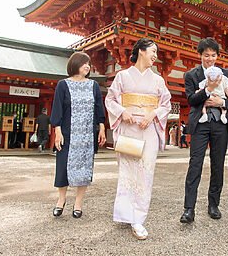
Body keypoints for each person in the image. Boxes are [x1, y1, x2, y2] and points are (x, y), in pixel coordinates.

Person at [105, 38, 171, 240]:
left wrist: (153, 115)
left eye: (157, 53)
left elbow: (166, 104)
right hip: (128, 129)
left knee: (145, 173)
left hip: (149, 130)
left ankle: (138, 219)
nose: (155, 56)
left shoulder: (158, 80)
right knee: (127, 172)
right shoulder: (123, 76)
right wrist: (123, 111)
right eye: (152, 51)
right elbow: (110, 99)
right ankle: (126, 214)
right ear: (141, 51)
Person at [180, 37, 228, 223]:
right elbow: (190, 99)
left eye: (213, 55)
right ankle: (189, 208)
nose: (210, 59)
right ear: (200, 56)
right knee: (195, 164)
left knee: (217, 164)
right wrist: (208, 90)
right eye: (206, 55)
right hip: (200, 123)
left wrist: (222, 102)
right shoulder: (191, 75)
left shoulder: (226, 73)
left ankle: (214, 204)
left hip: (220, 124)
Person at [51, 52, 106, 219]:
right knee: (62, 167)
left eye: (89, 63)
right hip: (68, 133)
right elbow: (57, 109)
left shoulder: (93, 85)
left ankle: (78, 204)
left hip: (87, 135)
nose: (87, 66)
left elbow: (99, 107)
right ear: (75, 64)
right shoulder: (63, 85)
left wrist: (102, 127)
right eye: (84, 63)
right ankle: (61, 201)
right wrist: (57, 131)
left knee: (84, 169)